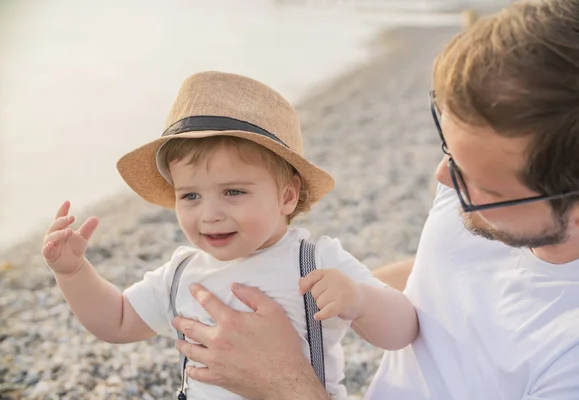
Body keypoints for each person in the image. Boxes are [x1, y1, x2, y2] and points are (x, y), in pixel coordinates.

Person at [171, 1, 579, 399]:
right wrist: (323, 286)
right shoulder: (479, 178)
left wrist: (282, 380)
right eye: (447, 149)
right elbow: (452, 272)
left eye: (481, 186)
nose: (443, 178)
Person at [41, 71, 418, 400]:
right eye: (190, 195)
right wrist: (73, 274)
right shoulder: (181, 273)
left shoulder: (314, 261)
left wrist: (362, 301)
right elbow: (118, 321)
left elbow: (403, 328)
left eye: (233, 192)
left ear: (287, 196)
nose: (210, 214)